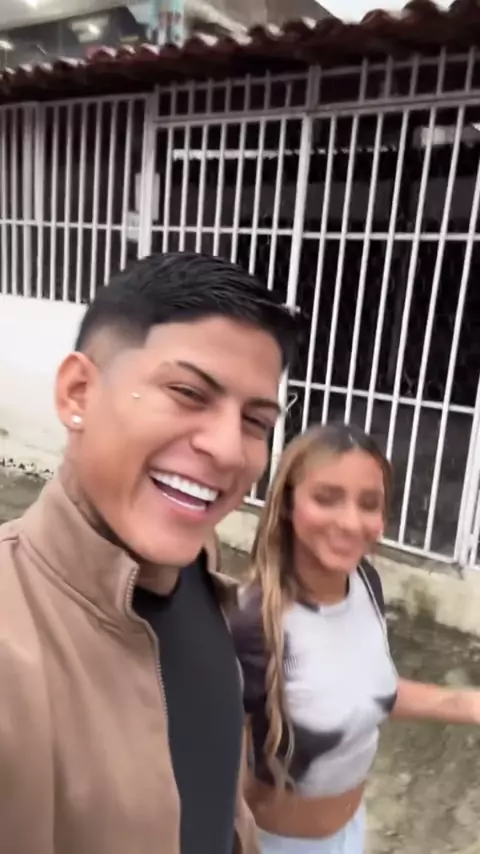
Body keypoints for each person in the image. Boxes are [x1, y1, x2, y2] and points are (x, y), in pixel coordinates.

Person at [0, 252, 297, 854]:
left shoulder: (197, 567)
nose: (228, 449)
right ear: (79, 392)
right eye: (188, 392)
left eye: (256, 421)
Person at [230, 423, 480, 854]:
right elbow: (212, 771)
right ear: (287, 503)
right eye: (326, 498)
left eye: (369, 504)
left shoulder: (365, 582)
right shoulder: (253, 623)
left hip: (350, 833)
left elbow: (364, 691)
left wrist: (469, 704)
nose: (350, 522)